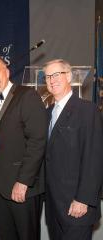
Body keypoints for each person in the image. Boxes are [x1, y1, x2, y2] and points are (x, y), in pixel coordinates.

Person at [0, 56, 48, 240]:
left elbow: (38, 141)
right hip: (1, 187)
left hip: (23, 187)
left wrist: (23, 182)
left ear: (7, 72)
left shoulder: (27, 95)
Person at [43, 59, 103, 240]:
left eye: (56, 75)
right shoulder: (47, 113)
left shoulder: (87, 110)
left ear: (68, 76)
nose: (51, 80)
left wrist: (83, 199)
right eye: (47, 77)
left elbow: (94, 158)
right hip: (54, 207)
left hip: (76, 205)